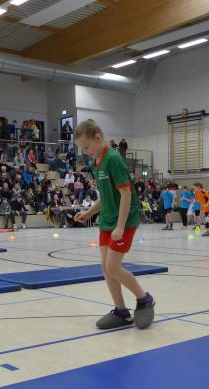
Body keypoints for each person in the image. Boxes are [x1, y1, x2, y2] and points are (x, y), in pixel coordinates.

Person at [73, 119, 155, 330]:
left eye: (87, 147)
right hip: (107, 220)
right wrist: (88, 212)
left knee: (112, 266)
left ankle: (144, 299)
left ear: (98, 138)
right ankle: (121, 311)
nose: (86, 152)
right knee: (105, 267)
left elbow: (125, 194)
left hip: (123, 221)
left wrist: (120, 226)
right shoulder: (97, 162)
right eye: (83, 149)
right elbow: (106, 196)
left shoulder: (113, 159)